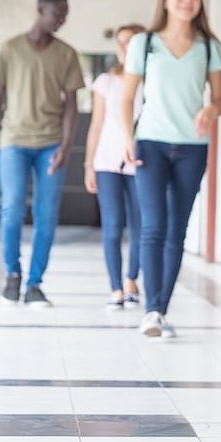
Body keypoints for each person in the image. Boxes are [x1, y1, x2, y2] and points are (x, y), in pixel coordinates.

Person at [120, 0, 221, 339]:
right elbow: (126, 96)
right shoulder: (143, 43)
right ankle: (150, 310)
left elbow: (218, 99)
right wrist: (127, 138)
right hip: (150, 142)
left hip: (192, 149)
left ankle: (161, 308)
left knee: (176, 231)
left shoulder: (210, 46)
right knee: (152, 226)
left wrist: (210, 112)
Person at [0, 0, 85, 306]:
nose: (62, 20)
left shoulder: (67, 54)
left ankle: (35, 284)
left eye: (65, 15)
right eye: (57, 14)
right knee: (11, 210)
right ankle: (12, 274)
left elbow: (72, 107)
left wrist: (66, 145)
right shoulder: (10, 49)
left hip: (51, 143)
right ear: (40, 10)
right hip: (14, 141)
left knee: (46, 215)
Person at [84, 24, 145, 310]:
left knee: (140, 226)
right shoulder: (105, 82)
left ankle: (132, 278)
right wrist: (88, 165)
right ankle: (116, 288)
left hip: (139, 161)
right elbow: (96, 125)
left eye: (130, 42)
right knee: (112, 226)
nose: (123, 49)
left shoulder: (152, 81)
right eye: (120, 43)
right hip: (107, 162)